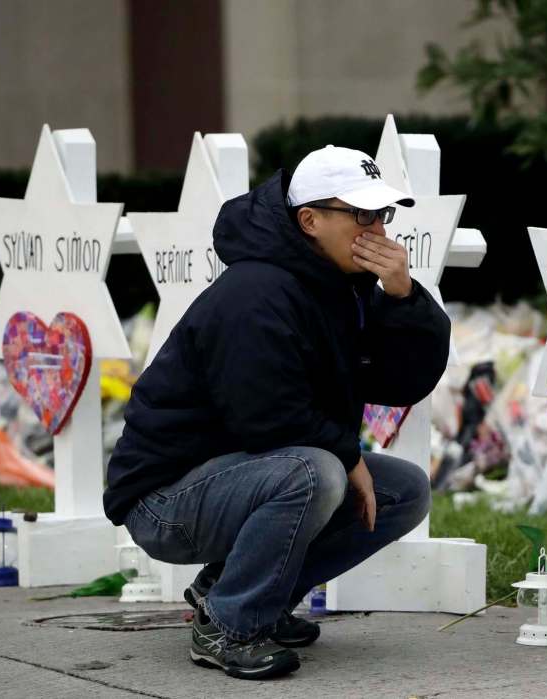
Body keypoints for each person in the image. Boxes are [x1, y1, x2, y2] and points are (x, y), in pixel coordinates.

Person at [103, 145, 450, 680]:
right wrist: (346, 453)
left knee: (403, 490)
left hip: (241, 474)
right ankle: (229, 624)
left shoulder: (342, 288)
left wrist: (404, 299)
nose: (377, 228)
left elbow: (400, 382)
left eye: (383, 214)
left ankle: (241, 592)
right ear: (309, 220)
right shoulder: (257, 290)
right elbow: (262, 414)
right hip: (164, 500)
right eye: (361, 214)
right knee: (317, 473)